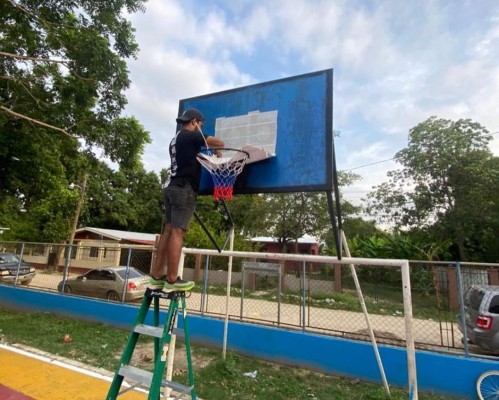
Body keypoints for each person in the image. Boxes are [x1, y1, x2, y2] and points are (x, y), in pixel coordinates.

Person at [149, 108, 224, 290]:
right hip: (184, 189)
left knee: (168, 230)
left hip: (171, 187)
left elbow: (189, 157)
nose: (200, 128)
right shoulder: (191, 136)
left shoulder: (175, 140)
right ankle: (173, 279)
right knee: (178, 232)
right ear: (194, 122)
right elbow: (219, 142)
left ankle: (157, 275)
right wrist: (217, 151)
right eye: (200, 125)